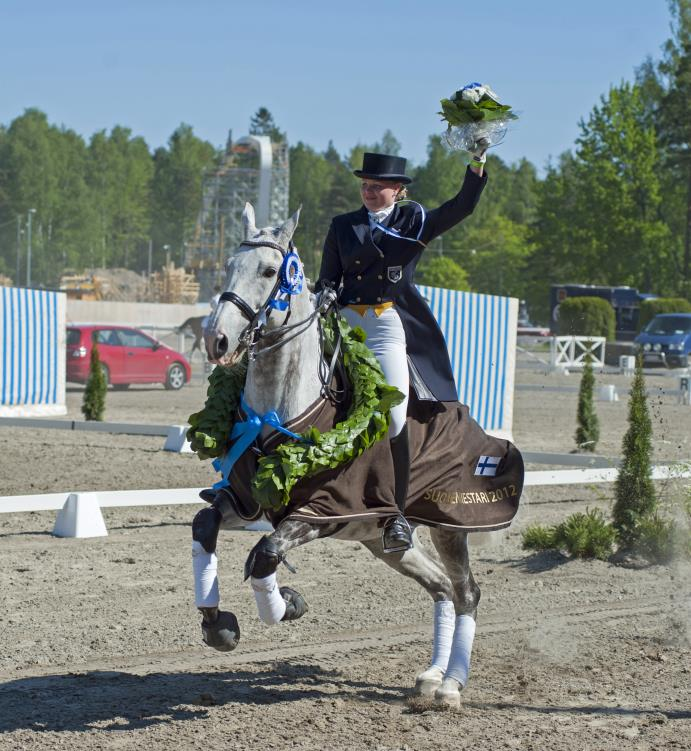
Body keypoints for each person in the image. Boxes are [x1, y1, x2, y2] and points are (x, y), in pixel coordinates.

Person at [316, 148, 488, 553]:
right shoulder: (342, 226)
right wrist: (322, 298)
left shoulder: (414, 221)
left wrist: (477, 162)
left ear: (397, 190)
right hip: (344, 322)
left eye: (377, 187)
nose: (369, 192)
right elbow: (328, 279)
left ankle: (398, 515)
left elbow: (461, 206)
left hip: (384, 324)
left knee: (394, 413)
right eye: (364, 185)